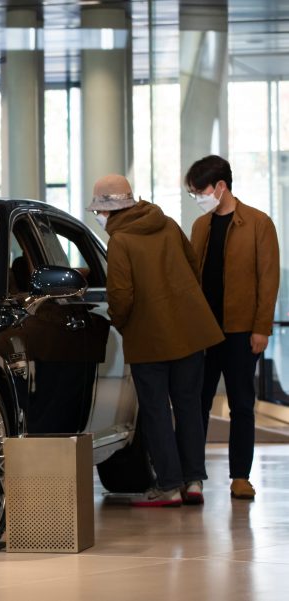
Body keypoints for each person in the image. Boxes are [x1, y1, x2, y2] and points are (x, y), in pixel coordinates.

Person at [90, 174, 223, 507]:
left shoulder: (120, 240)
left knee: (156, 412)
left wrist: (122, 324)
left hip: (149, 336)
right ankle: (194, 482)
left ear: (108, 209)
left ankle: (169, 486)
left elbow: (120, 295)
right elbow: (193, 267)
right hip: (190, 331)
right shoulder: (166, 224)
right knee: (189, 406)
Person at [186, 155, 280, 500]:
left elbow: (268, 280)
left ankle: (240, 476)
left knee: (242, 403)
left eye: (200, 191)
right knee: (197, 401)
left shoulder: (258, 223)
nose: (198, 197)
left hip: (242, 330)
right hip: (205, 331)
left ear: (220, 186)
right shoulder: (201, 227)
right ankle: (192, 474)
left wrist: (262, 327)